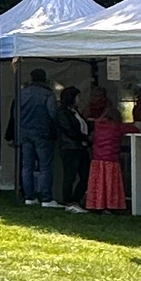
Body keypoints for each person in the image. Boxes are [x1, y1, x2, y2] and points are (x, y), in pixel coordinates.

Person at [18, 69, 61, 208]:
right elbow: (53, 113)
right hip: (43, 133)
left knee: (27, 166)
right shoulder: (48, 94)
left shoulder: (22, 94)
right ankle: (46, 198)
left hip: (25, 132)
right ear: (44, 78)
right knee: (45, 166)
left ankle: (29, 197)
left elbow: (15, 114)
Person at [86, 104, 130, 212]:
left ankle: (96, 204)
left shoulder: (97, 125)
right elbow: (133, 129)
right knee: (110, 183)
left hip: (97, 158)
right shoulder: (117, 126)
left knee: (98, 183)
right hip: (111, 158)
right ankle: (111, 204)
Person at [55, 86, 91, 214]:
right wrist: (86, 137)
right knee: (70, 175)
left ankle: (75, 199)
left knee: (85, 175)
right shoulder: (62, 113)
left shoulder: (76, 111)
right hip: (70, 147)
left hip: (80, 147)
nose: (80, 99)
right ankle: (68, 201)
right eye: (78, 97)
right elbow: (70, 131)